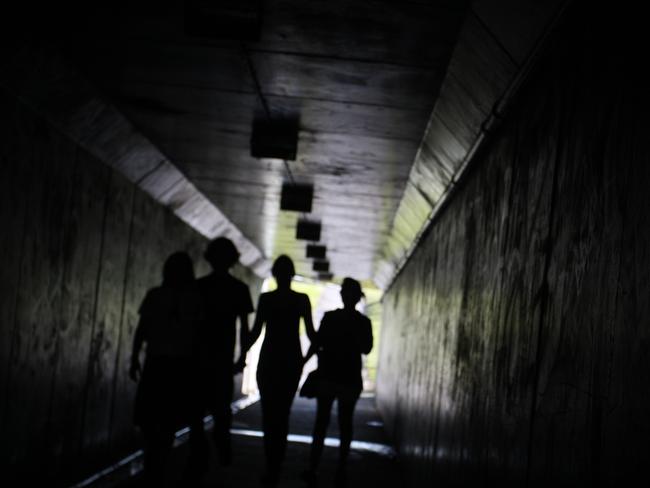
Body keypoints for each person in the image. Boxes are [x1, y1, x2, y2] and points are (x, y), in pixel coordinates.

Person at [129, 251, 203, 487]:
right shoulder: (196, 299)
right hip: (181, 366)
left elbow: (142, 329)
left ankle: (153, 462)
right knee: (170, 419)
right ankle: (160, 461)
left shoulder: (155, 295)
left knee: (149, 417)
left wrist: (134, 358)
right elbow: (200, 337)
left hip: (156, 363)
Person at [185, 237, 254, 479]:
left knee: (195, 412)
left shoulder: (198, 287)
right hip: (222, 361)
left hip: (198, 359)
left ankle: (198, 458)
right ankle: (220, 448)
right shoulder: (240, 290)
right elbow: (245, 329)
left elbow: (189, 325)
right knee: (221, 411)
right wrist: (242, 358)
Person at [246, 255, 316, 485]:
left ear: (275, 274)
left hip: (269, 360)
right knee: (283, 414)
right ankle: (278, 462)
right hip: (290, 361)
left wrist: (237, 355)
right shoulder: (301, 300)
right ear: (292, 274)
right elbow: (312, 335)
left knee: (269, 414)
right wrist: (306, 360)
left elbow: (256, 332)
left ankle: (271, 464)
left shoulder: (266, 300)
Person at [301, 277, 373, 487]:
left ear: (342, 295)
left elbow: (317, 343)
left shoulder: (330, 318)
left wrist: (302, 362)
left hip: (328, 376)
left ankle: (313, 467)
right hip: (349, 378)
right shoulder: (363, 322)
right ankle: (341, 469)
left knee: (321, 423)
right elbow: (367, 348)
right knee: (345, 423)